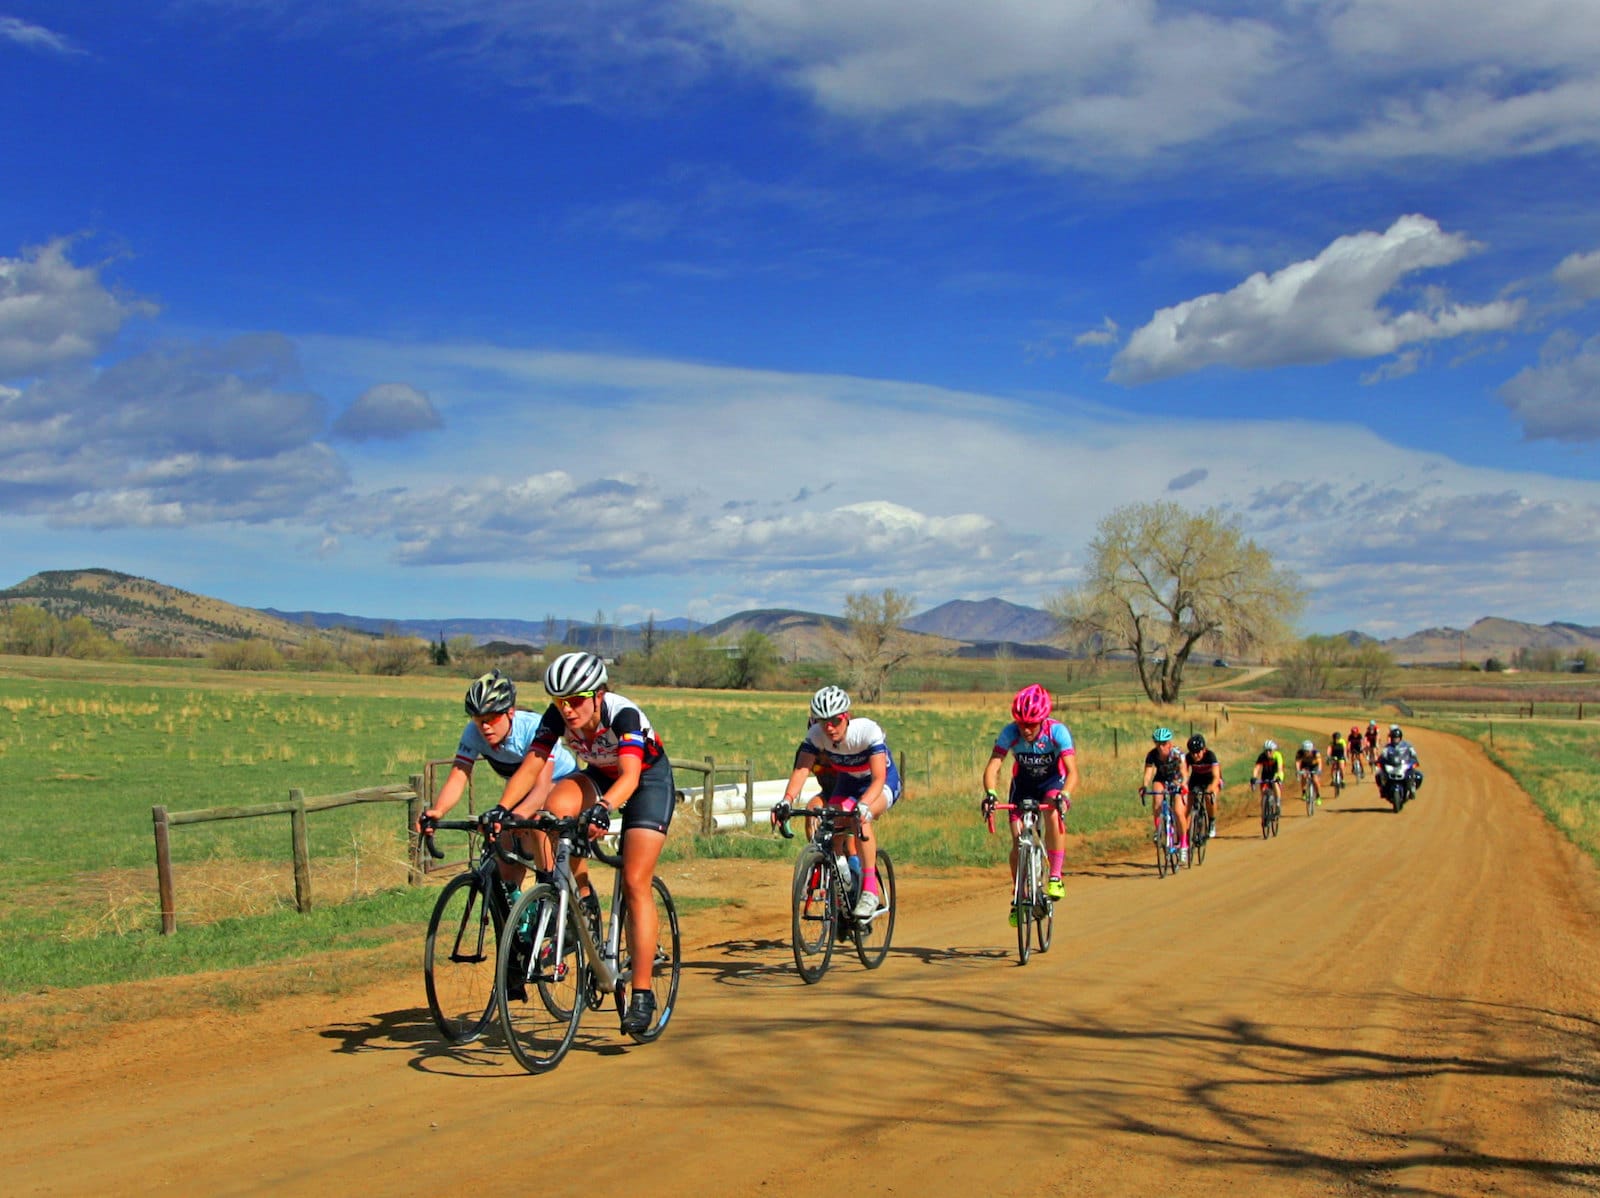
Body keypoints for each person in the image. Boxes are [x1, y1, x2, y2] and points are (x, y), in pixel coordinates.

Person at [496, 651, 675, 1036]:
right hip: (598, 774)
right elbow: (531, 764)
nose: (568, 710)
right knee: (556, 808)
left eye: (576, 701)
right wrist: (501, 808)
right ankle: (581, 897)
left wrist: (605, 808)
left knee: (634, 881)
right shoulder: (556, 715)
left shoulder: (622, 715)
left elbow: (629, 776)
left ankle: (642, 992)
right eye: (560, 702)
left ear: (599, 694)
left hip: (645, 782)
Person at [417, 669, 581, 894]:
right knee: (502, 842)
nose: (485, 727)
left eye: (492, 718)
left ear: (510, 712)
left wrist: (516, 815)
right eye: (478, 720)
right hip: (524, 785)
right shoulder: (473, 734)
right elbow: (458, 775)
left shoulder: (533, 727)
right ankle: (516, 909)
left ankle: (548, 889)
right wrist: (438, 810)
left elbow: (542, 788)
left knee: (535, 820)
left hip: (560, 781)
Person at [779, 686, 901, 920]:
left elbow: (878, 779)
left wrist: (864, 805)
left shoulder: (866, 731)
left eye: (836, 720)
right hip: (848, 783)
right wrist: (786, 800)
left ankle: (869, 890)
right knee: (825, 821)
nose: (830, 727)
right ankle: (841, 875)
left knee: (860, 819)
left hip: (880, 783)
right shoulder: (816, 735)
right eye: (823, 721)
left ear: (847, 717)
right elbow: (802, 769)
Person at [981, 684, 1079, 923]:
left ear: (1043, 720)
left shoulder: (1057, 732)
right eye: (1021, 723)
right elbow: (993, 766)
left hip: (1051, 784)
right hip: (1022, 786)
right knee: (1017, 844)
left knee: (1052, 814)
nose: (1025, 730)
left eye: (1031, 724)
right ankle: (1019, 898)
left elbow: (1072, 772)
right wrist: (991, 794)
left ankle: (1055, 876)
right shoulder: (1010, 732)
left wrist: (1064, 795)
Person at [1142, 727, 1191, 863]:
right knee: (1157, 799)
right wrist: (1144, 786)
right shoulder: (1152, 754)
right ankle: (1159, 830)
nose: (1160, 747)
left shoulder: (1177, 753)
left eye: (1163, 743)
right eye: (1157, 743)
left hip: (1177, 779)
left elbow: (1184, 772)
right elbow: (1148, 773)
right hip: (1161, 779)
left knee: (1178, 811)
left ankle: (1183, 843)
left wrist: (1183, 784)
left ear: (1169, 743)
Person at [1184, 732, 1223, 838]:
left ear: (1204, 750)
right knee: (1187, 801)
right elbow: (1185, 774)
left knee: (1208, 796)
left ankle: (1212, 822)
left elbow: (1216, 776)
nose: (1195, 755)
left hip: (1211, 779)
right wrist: (1184, 786)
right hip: (1196, 779)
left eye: (1198, 752)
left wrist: (1210, 788)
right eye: (1192, 753)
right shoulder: (1188, 758)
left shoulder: (1210, 756)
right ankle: (1185, 831)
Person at [1374, 724, 1423, 803]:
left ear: (1400, 738)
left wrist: (1414, 759)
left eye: (1397, 738)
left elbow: (1413, 753)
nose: (1395, 739)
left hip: (1403, 766)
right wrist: (1379, 761)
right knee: (1379, 775)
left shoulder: (1407, 745)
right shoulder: (1387, 747)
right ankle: (1383, 789)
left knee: (1416, 775)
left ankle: (1411, 789)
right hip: (1392, 767)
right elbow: (1383, 755)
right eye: (1394, 738)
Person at [1252, 739, 1285, 817]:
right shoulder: (1262, 756)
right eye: (1266, 751)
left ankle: (1277, 804)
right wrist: (1254, 777)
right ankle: (1264, 814)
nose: (1268, 753)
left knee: (1274, 783)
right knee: (1263, 792)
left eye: (1270, 750)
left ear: (1274, 750)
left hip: (1276, 774)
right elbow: (1257, 768)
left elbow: (1280, 768)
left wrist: (1279, 777)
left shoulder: (1277, 755)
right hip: (1266, 775)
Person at [1294, 739, 1323, 805]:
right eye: (1305, 751)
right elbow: (1297, 762)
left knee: (1315, 780)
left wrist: (1319, 770)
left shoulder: (1316, 752)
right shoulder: (1299, 753)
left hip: (1314, 766)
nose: (1306, 753)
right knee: (1303, 776)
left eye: (1308, 751)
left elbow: (1319, 762)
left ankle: (1318, 796)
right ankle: (1303, 793)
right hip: (1305, 766)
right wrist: (1298, 771)